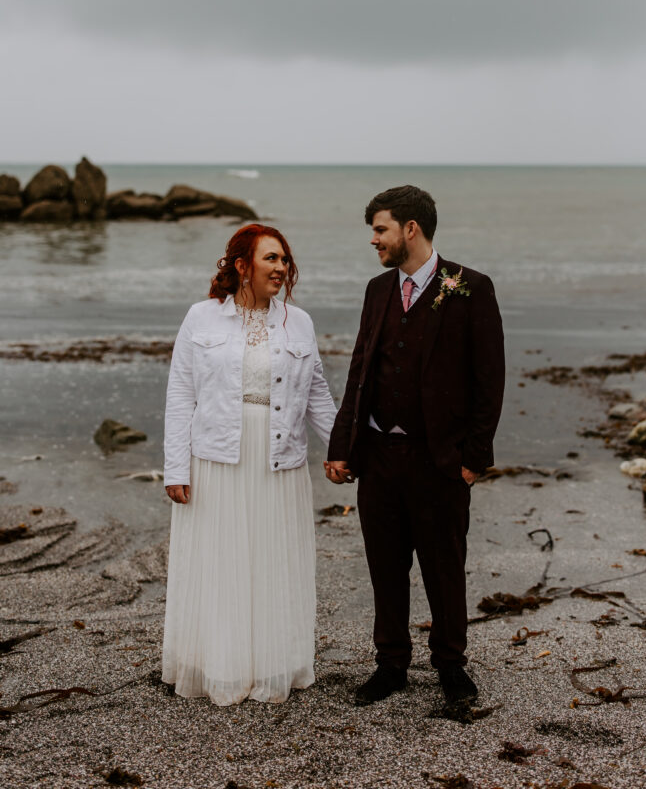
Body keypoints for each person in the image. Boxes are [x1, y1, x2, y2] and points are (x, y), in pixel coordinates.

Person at [325, 186, 504, 707]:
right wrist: (343, 445)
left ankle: (451, 665)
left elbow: (489, 381)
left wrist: (473, 460)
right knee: (385, 566)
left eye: (380, 230)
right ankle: (390, 665)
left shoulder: (471, 288)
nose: (374, 240)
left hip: (440, 461)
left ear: (411, 229)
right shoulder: (377, 291)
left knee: (444, 567)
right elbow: (359, 372)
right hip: (379, 455)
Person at [162, 224, 337, 705]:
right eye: (271, 259)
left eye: (284, 260)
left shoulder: (298, 322)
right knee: (222, 561)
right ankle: (220, 665)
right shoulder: (201, 318)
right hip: (217, 457)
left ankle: (271, 665)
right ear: (242, 265)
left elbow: (317, 394)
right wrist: (175, 468)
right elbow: (181, 395)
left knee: (271, 556)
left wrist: (343, 448)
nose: (281, 268)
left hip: (280, 457)